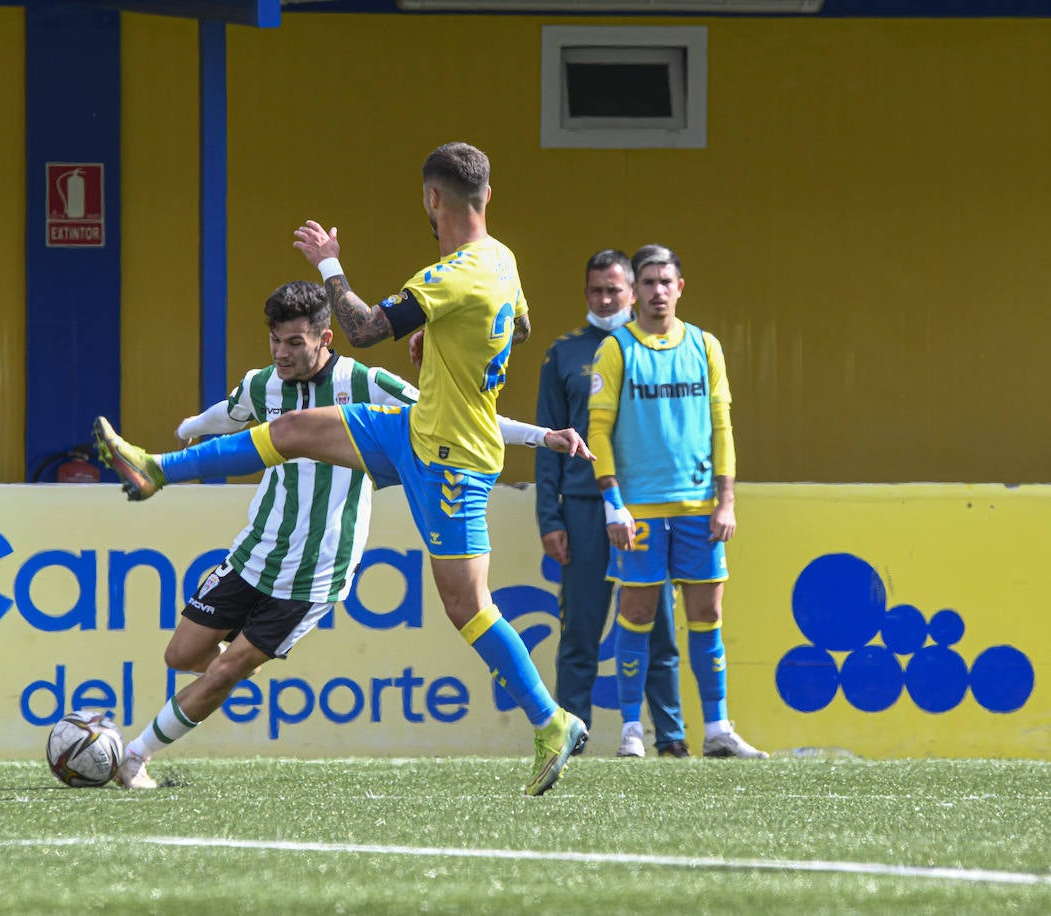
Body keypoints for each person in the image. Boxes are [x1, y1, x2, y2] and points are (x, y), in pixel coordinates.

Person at [94, 142, 590, 796]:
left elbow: (360, 327)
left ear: (432, 200)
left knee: (468, 608)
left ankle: (550, 721)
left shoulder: (452, 275)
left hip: (450, 460)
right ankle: (157, 468)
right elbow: (518, 328)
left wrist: (328, 261)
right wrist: (443, 336)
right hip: (417, 433)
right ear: (487, 197)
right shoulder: (501, 261)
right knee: (293, 428)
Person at [587, 244, 767, 759]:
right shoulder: (616, 349)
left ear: (680, 287)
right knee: (638, 612)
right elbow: (597, 432)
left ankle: (716, 729)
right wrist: (613, 503)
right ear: (634, 289)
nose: (658, 291)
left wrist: (725, 500)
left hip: (698, 506)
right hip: (640, 510)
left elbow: (722, 426)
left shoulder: (706, 347)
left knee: (707, 612)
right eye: (648, 282)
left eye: (667, 282)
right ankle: (629, 731)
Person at [536, 249, 687, 758]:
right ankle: (570, 740)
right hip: (581, 508)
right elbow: (545, 439)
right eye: (596, 291)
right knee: (580, 630)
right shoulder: (564, 352)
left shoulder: (655, 349)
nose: (605, 299)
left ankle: (670, 737)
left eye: (614, 291)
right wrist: (548, 517)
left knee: (660, 627)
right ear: (586, 294)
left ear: (633, 293)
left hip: (646, 506)